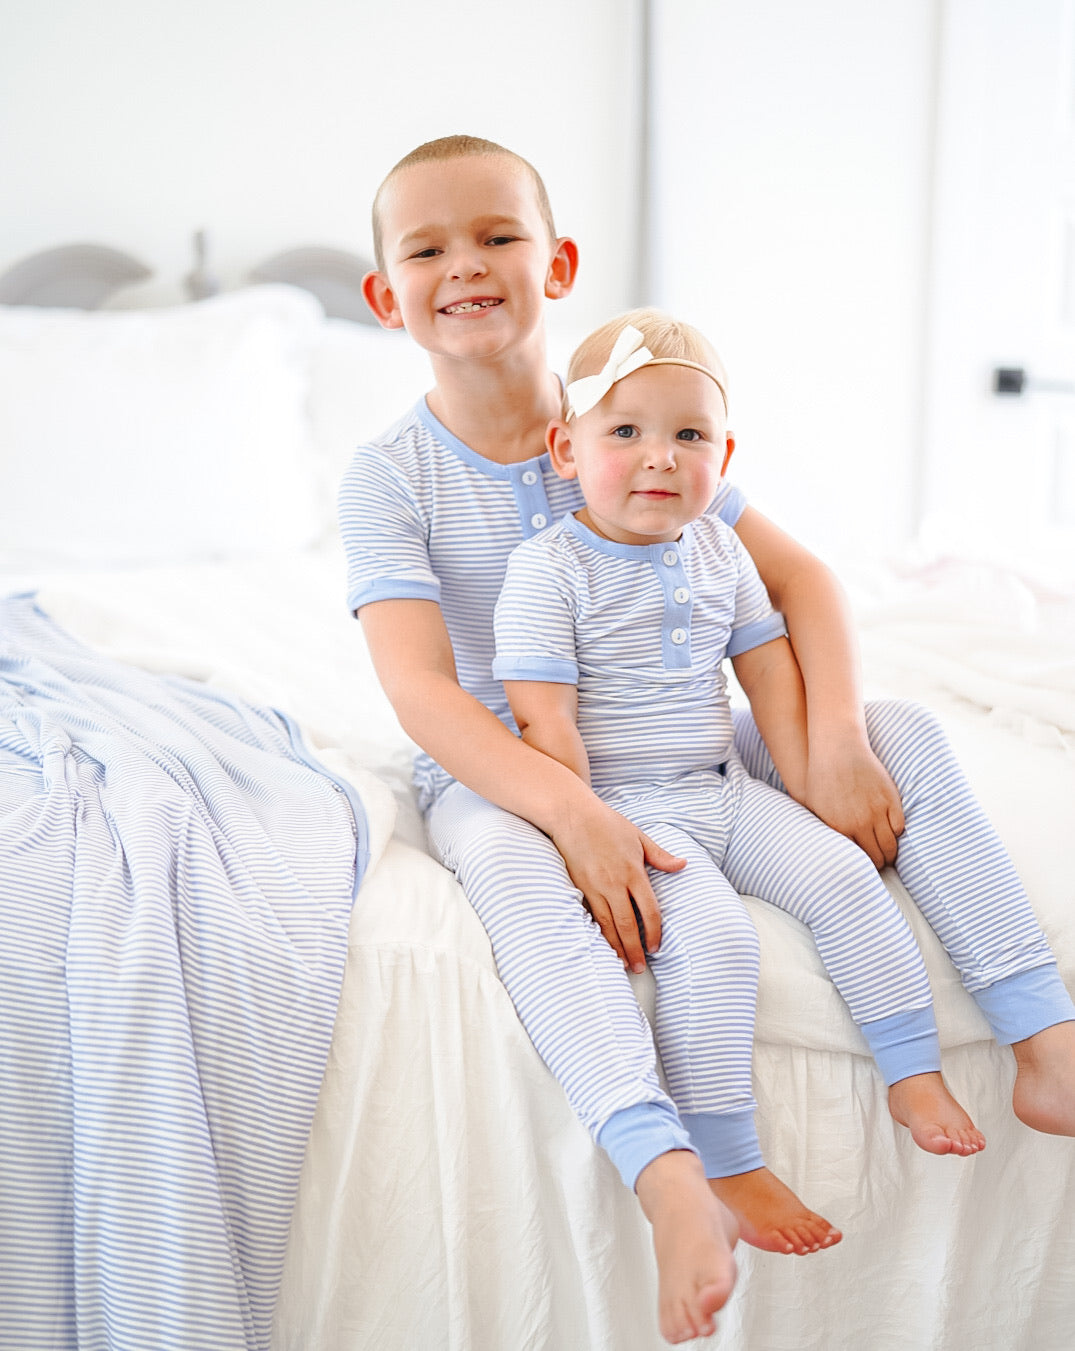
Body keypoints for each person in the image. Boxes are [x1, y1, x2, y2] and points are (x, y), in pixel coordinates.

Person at [339, 133, 1075, 1342]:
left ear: (557, 261)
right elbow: (422, 693)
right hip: (508, 767)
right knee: (519, 881)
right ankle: (669, 1167)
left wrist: (827, 738)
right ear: (387, 296)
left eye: (497, 235)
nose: (466, 265)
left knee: (909, 733)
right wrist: (575, 816)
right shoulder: (391, 479)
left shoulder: (632, 420)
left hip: (686, 739)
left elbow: (800, 585)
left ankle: (1037, 1031)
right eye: (428, 249)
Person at [491, 309, 993, 1217]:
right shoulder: (547, 569)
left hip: (719, 784)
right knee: (717, 941)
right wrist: (583, 835)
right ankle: (725, 1156)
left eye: (690, 435)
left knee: (845, 876)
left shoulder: (721, 549)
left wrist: (811, 775)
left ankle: (911, 1069)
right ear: (565, 448)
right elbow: (545, 722)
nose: (660, 457)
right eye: (626, 432)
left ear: (724, 457)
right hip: (631, 807)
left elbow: (765, 669)